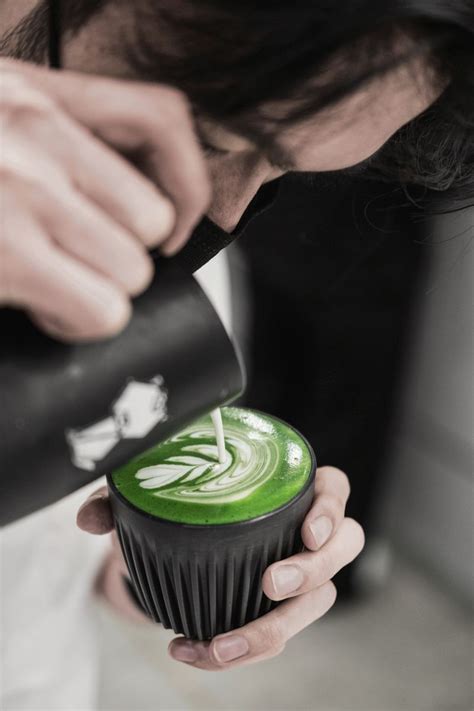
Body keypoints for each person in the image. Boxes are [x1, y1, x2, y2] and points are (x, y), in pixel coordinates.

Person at [0, 0, 472, 705]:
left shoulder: (176, 255)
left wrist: (179, 572)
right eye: (208, 137)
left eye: (279, 173)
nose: (216, 220)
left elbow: (53, 553)